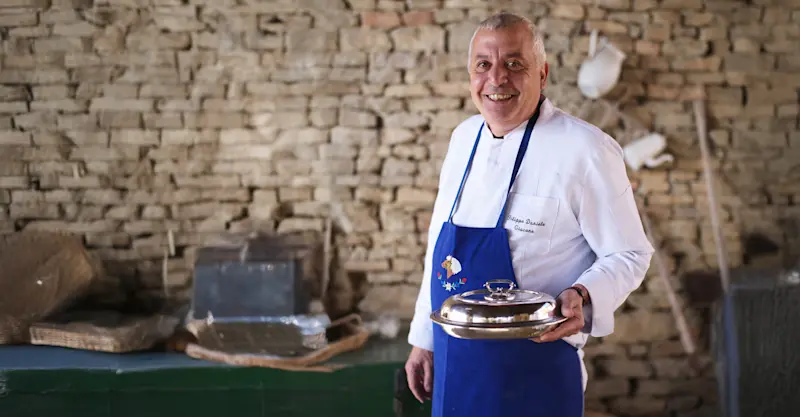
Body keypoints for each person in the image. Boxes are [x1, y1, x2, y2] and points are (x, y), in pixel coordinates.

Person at [404, 12, 655, 417]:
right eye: (483, 65)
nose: (497, 79)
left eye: (514, 64)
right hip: (456, 368)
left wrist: (584, 294)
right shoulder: (463, 138)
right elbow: (440, 250)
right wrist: (423, 339)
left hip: (534, 371)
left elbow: (630, 254)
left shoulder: (586, 149)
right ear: (470, 74)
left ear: (543, 73)